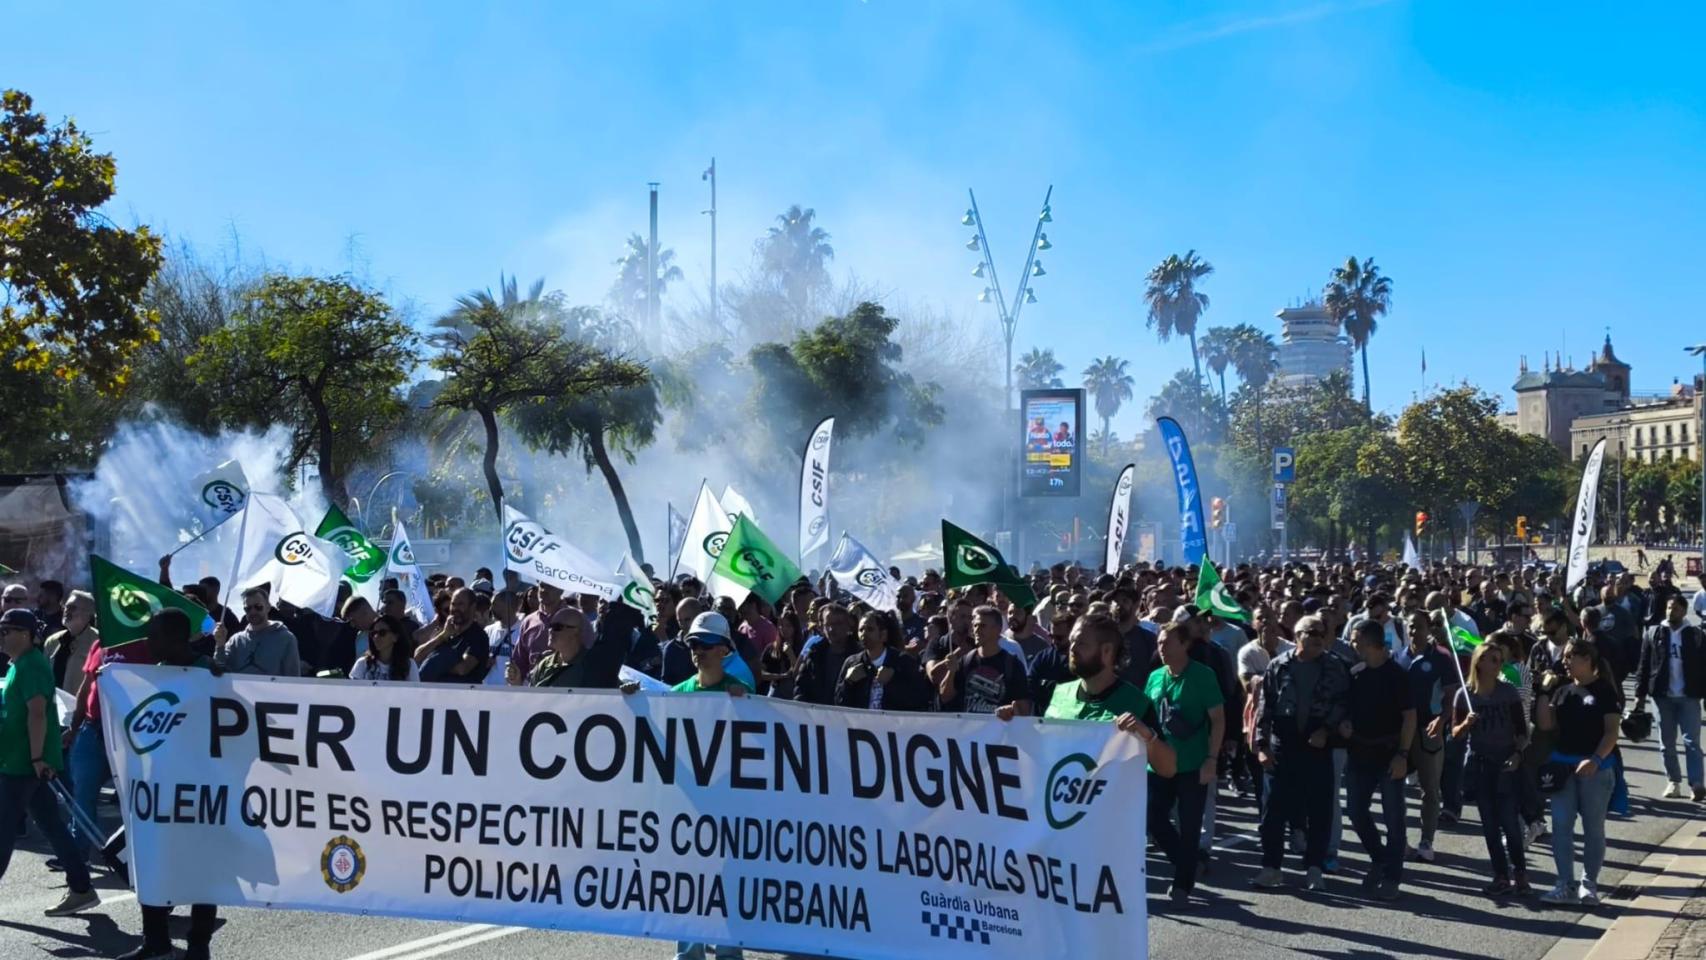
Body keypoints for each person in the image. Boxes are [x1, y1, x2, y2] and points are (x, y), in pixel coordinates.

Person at [118, 607, 219, 959]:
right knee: (152, 863)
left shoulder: (211, 673)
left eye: (154, 635)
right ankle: (156, 942)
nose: (148, 642)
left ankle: (199, 944)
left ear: (175, 638)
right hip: (160, 790)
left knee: (204, 870)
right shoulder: (154, 677)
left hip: (203, 790)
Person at [0, 608, 98, 915]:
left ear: (27, 635)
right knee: (52, 826)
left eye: (7, 630)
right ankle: (82, 888)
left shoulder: (32, 665)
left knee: (3, 830)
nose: (1, 634)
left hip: (24, 763)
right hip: (21, 760)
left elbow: (38, 713)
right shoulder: (18, 664)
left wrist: (39, 757)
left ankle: (82, 888)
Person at [1252, 613, 1350, 892]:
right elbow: (1264, 708)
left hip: (1318, 745)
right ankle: (1271, 867)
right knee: (1273, 812)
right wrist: (1261, 746)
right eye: (1312, 633)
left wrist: (1327, 731)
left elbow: (1343, 703)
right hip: (1283, 744)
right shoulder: (1278, 666)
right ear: (1297, 637)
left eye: (1322, 633)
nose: (1319, 638)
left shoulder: (1335, 666)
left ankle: (1314, 867)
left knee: (1319, 810)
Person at [1145, 621, 1225, 904]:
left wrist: (1211, 759)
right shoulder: (1154, 677)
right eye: (1158, 643)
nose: (1161, 648)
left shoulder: (1203, 676)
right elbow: (1148, 717)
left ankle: (1182, 884)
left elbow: (1217, 720)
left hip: (1193, 764)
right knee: (1153, 818)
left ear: (1184, 644)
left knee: (1190, 825)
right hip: (1159, 763)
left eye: (1167, 642)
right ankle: (1186, 862)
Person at [1039, 613, 1177, 776]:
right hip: (1059, 796)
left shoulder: (1135, 702)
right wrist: (1010, 723)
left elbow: (1168, 769)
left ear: (1107, 651)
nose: (1072, 649)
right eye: (1072, 641)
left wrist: (1147, 737)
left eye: (1081, 643)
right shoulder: (1060, 693)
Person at [1537, 640, 1621, 905]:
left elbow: (1611, 732)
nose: (1565, 661)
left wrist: (1596, 759)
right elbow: (1545, 725)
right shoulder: (1562, 691)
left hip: (1596, 767)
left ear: (1587, 659)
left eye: (1571, 656)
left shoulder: (1604, 690)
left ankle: (1589, 883)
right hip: (1563, 765)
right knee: (1561, 825)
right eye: (1565, 657)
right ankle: (1564, 883)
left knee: (1593, 827)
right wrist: (1543, 692)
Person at [1342, 619, 1414, 901]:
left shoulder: (1398, 675)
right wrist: (1345, 723)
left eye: (1356, 640)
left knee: (1394, 819)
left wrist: (1403, 755)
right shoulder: (1356, 673)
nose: (1352, 644)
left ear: (1371, 642)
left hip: (1389, 755)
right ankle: (1379, 859)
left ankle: (1393, 876)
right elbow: (1348, 708)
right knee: (1356, 812)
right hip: (1359, 754)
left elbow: (1410, 717)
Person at [1453, 642, 1531, 897]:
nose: (1498, 665)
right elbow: (1455, 734)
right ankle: (1500, 875)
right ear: (1480, 663)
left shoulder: (1508, 692)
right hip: (1481, 763)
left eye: (1500, 660)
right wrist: (1466, 723)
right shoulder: (1465, 695)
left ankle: (1519, 872)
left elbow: (1522, 730)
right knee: (1489, 825)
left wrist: (1518, 754)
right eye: (1493, 660)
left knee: (1509, 822)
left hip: (1506, 762)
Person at [1633, 593, 1706, 801]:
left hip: (1688, 696)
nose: (1670, 611)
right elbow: (1644, 665)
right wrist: (1639, 695)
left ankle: (1697, 783)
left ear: (1683, 610)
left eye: (1674, 608)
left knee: (1691, 741)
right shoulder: (1654, 633)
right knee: (1667, 743)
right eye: (1668, 607)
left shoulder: (1695, 635)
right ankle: (1673, 781)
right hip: (1662, 696)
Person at [1403, 610, 1456, 863]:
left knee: (1430, 790)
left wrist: (1442, 719)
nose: (1414, 631)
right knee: (1393, 789)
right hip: (1401, 732)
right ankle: (1398, 841)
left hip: (1428, 732)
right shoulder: (1399, 656)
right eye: (1411, 626)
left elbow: (1451, 696)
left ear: (1429, 629)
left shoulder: (1443, 658)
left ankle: (1427, 841)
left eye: (1419, 626)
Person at [938, 605, 1031, 716]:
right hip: (968, 730)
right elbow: (945, 697)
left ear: (997, 629)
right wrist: (951, 672)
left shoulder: (1013, 665)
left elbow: (1024, 709)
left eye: (982, 626)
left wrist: (1010, 710)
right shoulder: (966, 661)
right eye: (975, 625)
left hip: (1000, 731)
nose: (976, 630)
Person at [834, 611, 930, 711]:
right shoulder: (852, 662)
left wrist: (893, 683)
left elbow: (919, 699)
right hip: (861, 725)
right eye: (861, 630)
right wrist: (848, 682)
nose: (864, 634)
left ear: (883, 634)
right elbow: (838, 702)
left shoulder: (903, 662)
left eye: (870, 629)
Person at [216, 587, 302, 677]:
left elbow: (293, 680)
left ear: (268, 607)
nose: (253, 611)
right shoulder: (236, 640)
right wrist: (220, 644)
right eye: (248, 608)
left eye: (258, 607)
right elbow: (219, 671)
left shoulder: (287, 638)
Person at [415, 588, 491, 683]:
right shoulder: (445, 632)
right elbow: (418, 656)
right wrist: (443, 636)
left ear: (472, 607)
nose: (455, 609)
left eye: (460, 604)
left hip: (462, 694)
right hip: (432, 693)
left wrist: (433, 662)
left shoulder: (478, 636)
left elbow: (463, 668)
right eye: (453, 604)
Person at [42, 590, 97, 694]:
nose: (66, 611)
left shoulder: (97, 642)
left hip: (80, 707)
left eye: (72, 608)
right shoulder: (52, 641)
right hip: (54, 706)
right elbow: (43, 677)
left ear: (88, 614)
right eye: (66, 607)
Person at [528, 608, 593, 688]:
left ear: (576, 631)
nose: (550, 631)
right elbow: (531, 696)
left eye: (557, 627)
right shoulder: (544, 664)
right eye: (550, 626)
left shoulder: (592, 665)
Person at [348, 614, 419, 681]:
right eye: (373, 633)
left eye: (382, 633)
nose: (376, 637)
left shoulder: (409, 665)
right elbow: (353, 692)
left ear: (395, 637)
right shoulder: (363, 664)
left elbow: (415, 692)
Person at [759, 610, 801, 699]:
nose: (784, 629)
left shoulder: (801, 648)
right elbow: (761, 673)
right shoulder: (771, 648)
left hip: (794, 693)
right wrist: (780, 676)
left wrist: (790, 654)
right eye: (781, 625)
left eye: (788, 626)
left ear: (795, 628)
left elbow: (798, 673)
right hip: (775, 691)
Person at [483, 590, 521, 687]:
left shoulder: (524, 630)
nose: (491, 608)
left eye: (495, 604)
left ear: (508, 606)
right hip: (488, 690)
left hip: (512, 692)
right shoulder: (488, 630)